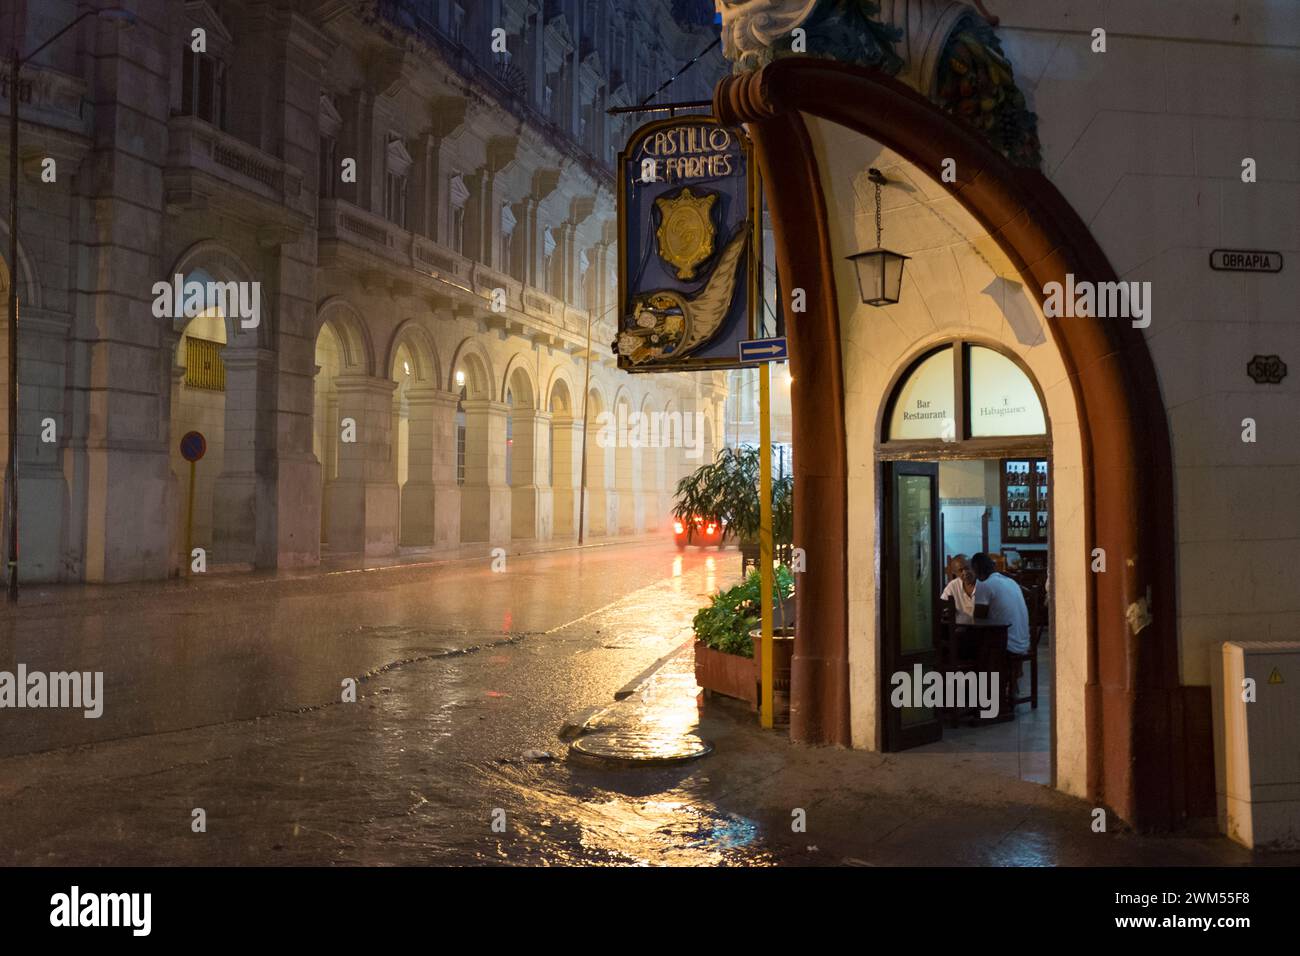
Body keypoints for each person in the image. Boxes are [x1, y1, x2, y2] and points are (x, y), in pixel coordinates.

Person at [970, 552, 1030, 655]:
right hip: (1024, 644)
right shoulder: (1011, 581)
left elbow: (978, 620)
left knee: (966, 641)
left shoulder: (984, 584)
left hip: (1007, 646)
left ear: (976, 568)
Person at [940, 554, 976, 624]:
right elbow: (942, 606)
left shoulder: (983, 583)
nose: (965, 572)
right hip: (959, 629)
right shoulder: (953, 586)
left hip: (982, 629)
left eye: (967, 568)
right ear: (955, 573)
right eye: (960, 570)